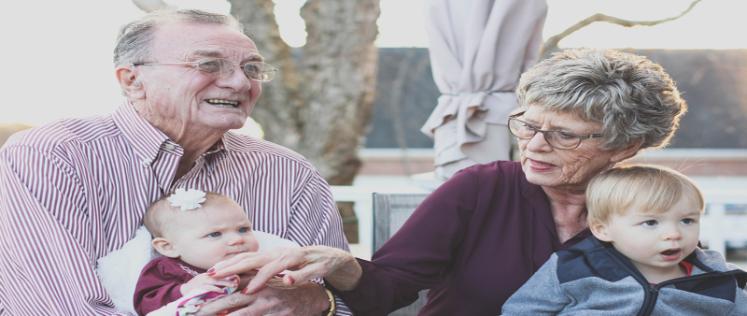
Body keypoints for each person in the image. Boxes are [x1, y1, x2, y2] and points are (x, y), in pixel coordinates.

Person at [205, 48, 690, 315]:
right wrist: (339, 263)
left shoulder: (658, 207)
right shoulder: (481, 189)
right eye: (527, 124)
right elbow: (386, 291)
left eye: (564, 135)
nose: (535, 145)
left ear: (625, 146)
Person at [0, 9, 349, 315]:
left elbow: (345, 298)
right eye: (209, 64)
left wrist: (315, 299)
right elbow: (57, 307)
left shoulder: (289, 173)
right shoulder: (49, 156)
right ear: (132, 80)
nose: (240, 82)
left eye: (252, 69)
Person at [502, 165, 747, 315]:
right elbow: (521, 311)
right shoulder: (574, 267)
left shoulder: (717, 282)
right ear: (602, 229)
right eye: (650, 223)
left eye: (687, 221)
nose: (674, 233)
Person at [133, 189, 260, 315]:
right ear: (169, 247)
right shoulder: (165, 269)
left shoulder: (257, 265)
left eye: (243, 229)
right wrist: (184, 290)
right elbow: (144, 305)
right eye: (214, 234)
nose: (237, 239)